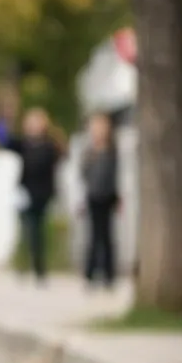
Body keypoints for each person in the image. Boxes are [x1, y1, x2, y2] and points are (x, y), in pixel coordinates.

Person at [0, 107, 62, 283]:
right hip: (25, 194)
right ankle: (23, 266)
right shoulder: (24, 144)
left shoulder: (50, 146)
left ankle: (38, 269)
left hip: (42, 194)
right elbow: (3, 140)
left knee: (37, 231)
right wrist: (3, 119)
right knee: (27, 230)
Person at [79, 111, 119, 288]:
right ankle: (90, 273)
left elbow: (116, 175)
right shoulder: (89, 151)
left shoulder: (112, 150)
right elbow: (83, 174)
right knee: (94, 236)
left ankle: (109, 274)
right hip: (93, 196)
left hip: (108, 196)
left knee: (107, 236)